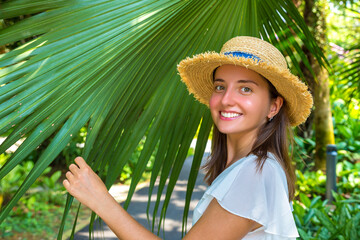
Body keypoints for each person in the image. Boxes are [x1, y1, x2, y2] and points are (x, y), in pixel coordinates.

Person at [63, 36, 313, 239]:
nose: (226, 99)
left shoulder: (256, 173)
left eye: (245, 88)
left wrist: (100, 200)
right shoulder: (248, 167)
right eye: (220, 86)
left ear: (273, 106)